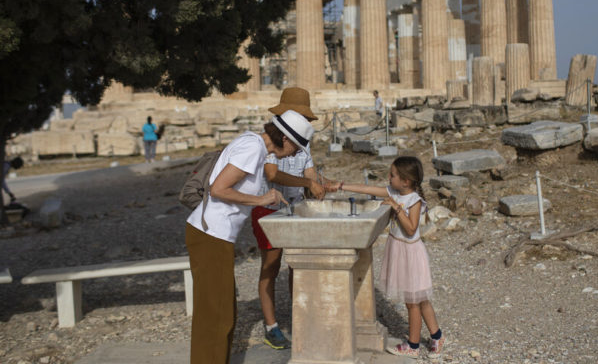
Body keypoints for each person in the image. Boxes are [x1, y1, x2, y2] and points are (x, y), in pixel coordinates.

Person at [186, 109, 314, 364]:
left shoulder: (252, 142)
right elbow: (219, 188)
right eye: (297, 147)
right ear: (286, 139)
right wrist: (261, 199)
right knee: (216, 317)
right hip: (211, 234)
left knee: (222, 313)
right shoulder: (253, 148)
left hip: (216, 236)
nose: (297, 154)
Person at [328, 156, 445, 359]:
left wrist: (396, 207)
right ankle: (437, 336)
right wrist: (341, 186)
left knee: (413, 302)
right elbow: (369, 190)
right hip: (399, 251)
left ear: (405, 181)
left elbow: (410, 229)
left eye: (392, 175)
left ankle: (414, 346)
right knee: (419, 298)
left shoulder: (414, 200)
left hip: (411, 254)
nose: (388, 178)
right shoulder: (395, 191)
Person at [251, 87, 326, 350]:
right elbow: (272, 174)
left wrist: (317, 186)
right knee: (271, 267)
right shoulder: (273, 139)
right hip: (268, 210)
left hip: (296, 209)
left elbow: (311, 174)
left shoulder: (303, 143)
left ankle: (300, 317)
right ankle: (271, 326)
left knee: (298, 266)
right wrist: (307, 181)